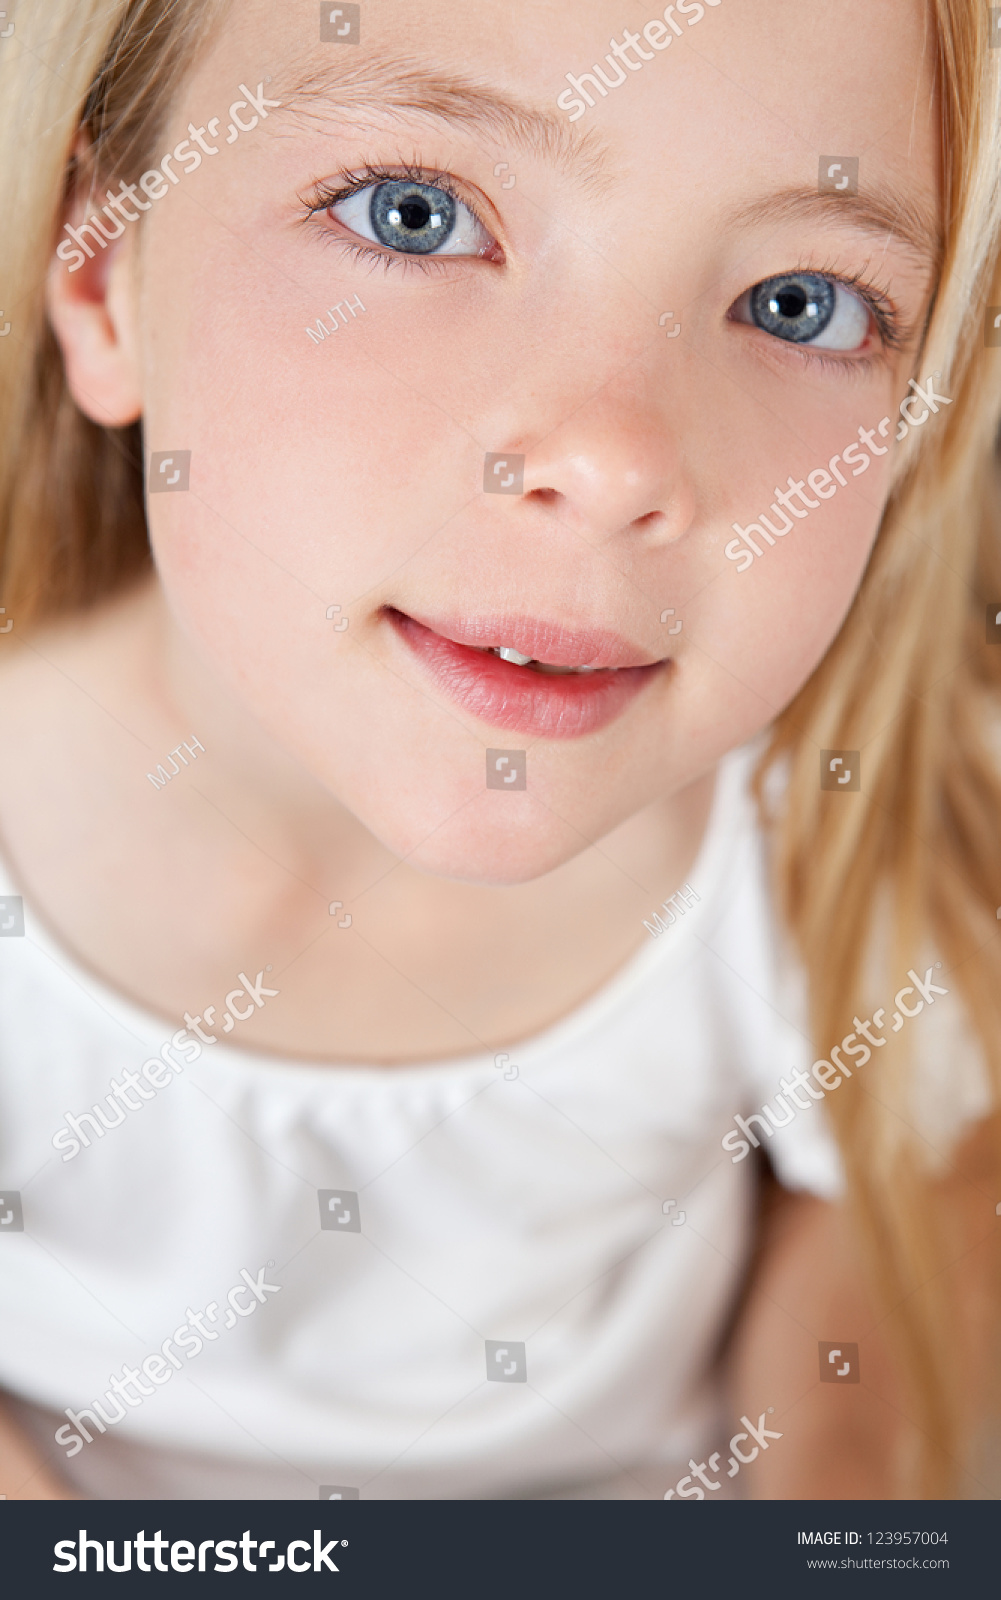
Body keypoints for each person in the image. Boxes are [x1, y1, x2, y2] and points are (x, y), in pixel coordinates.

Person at [0, 0, 997, 1501]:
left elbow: (889, 1190)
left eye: (803, 303)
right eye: (412, 218)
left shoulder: (814, 837)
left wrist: (829, 1486)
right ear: (101, 277)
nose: (614, 460)